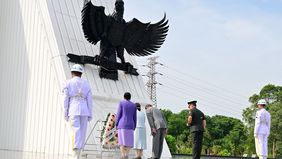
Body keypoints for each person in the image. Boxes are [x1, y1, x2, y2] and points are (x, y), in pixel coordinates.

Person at [63, 64, 93, 159]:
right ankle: (78, 156)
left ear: (72, 73)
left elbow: (65, 99)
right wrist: (90, 113)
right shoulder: (86, 83)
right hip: (84, 110)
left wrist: (65, 112)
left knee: (75, 132)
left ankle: (75, 156)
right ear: (81, 74)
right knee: (82, 133)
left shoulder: (68, 83)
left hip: (73, 109)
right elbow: (90, 100)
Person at [116, 92, 137, 159]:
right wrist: (134, 126)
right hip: (130, 125)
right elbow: (135, 117)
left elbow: (119, 114)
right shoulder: (134, 105)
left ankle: (122, 155)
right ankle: (126, 154)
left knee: (121, 141)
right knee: (129, 141)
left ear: (124, 97)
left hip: (122, 124)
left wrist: (116, 123)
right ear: (130, 97)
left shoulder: (121, 103)